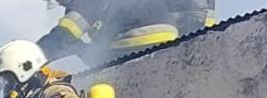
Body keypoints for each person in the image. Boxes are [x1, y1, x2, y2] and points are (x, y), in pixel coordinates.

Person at [35, 0, 214, 65]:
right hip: (169, 37)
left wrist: (33, 55)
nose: (61, 3)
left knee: (82, 56)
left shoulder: (84, 2)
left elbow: (65, 34)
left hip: (134, 41)